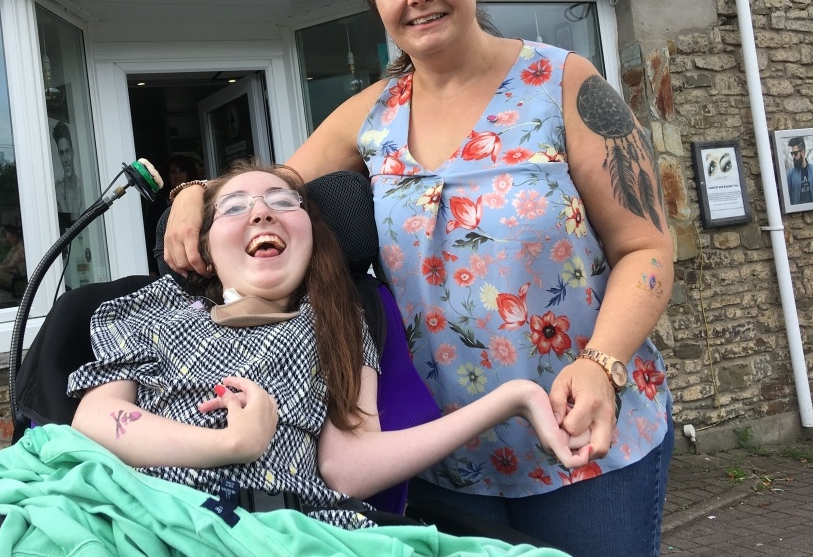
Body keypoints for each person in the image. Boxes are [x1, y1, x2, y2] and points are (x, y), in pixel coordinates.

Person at [164, 0, 674, 555]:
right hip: (440, 453)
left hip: (583, 442)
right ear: (375, 2)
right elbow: (271, 189)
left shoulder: (562, 84)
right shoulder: (370, 116)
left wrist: (603, 365)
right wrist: (194, 194)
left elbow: (647, 247)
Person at [64, 160, 587, 544]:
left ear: (312, 235)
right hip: (152, 521)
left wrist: (513, 397)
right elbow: (98, 416)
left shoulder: (342, 320)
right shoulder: (152, 308)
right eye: (235, 207)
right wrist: (226, 446)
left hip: (297, 533)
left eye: (283, 202)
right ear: (203, 245)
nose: (263, 212)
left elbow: (347, 468)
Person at [145, 154, 202, 275]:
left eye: (181, 171)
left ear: (189, 173)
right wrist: (152, 269)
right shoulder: (158, 205)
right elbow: (150, 238)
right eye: (173, 172)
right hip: (165, 262)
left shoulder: (200, 198)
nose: (177, 175)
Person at [52, 121, 84, 216]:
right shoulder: (58, 191)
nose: (65, 159)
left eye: (67, 151)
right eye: (62, 153)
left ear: (73, 152)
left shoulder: (83, 188)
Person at [0, 224, 26, 292]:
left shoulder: (21, 250)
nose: (8, 240)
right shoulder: (14, 248)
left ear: (14, 236)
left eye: (9, 238)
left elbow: (9, 265)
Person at [786, 136, 813, 205]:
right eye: (792, 154)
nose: (793, 156)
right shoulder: (790, 175)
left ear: (802, 152)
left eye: (795, 153)